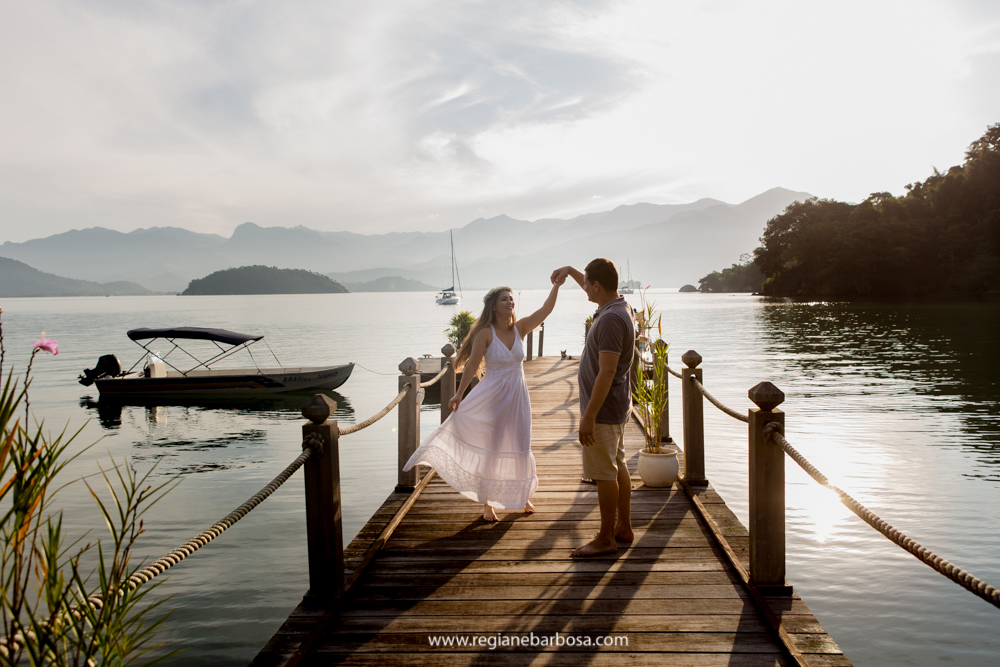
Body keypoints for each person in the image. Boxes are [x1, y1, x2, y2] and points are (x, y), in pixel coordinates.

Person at [403, 279, 564, 522]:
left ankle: (521, 495)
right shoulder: (485, 334)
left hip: (519, 397)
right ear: (493, 306)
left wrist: (557, 286)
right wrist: (459, 393)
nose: (510, 302)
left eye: (511, 298)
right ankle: (488, 503)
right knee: (493, 447)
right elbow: (471, 365)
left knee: (520, 443)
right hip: (493, 398)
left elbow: (546, 310)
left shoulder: (520, 328)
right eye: (504, 299)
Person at [551, 259, 636, 556]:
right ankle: (622, 528)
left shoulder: (611, 319)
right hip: (615, 407)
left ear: (597, 285)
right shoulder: (617, 306)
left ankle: (605, 538)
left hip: (603, 410)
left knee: (604, 473)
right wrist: (572, 271)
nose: (584, 288)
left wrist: (588, 416)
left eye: (587, 283)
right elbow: (591, 285)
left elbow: (608, 371)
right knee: (616, 465)